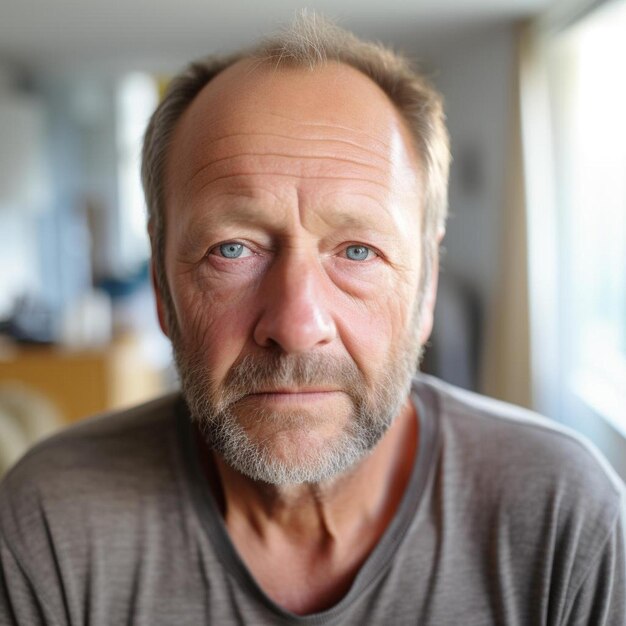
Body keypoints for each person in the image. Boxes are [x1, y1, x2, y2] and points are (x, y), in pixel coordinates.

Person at [1, 13, 624, 625]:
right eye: (233, 249)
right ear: (162, 284)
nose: (298, 326)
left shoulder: (564, 517)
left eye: (358, 251)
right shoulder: (49, 523)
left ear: (426, 285)